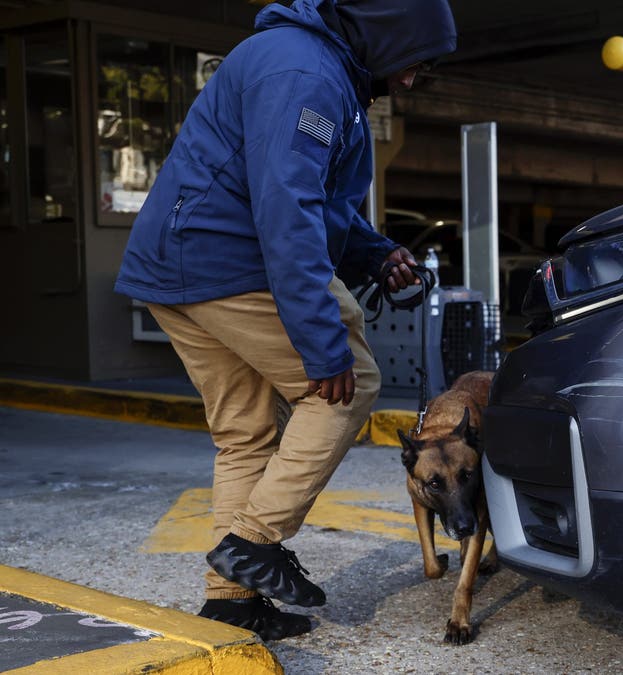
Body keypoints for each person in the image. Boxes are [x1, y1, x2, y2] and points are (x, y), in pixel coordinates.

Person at [114, 0, 456, 640]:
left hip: (182, 267)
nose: (412, 80)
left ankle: (231, 602)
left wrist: (374, 252)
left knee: (244, 434)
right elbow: (286, 209)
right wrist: (322, 346)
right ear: (387, 33)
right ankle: (254, 543)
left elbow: (311, 199)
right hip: (230, 265)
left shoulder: (311, 64)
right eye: (415, 61)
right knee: (347, 382)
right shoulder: (308, 77)